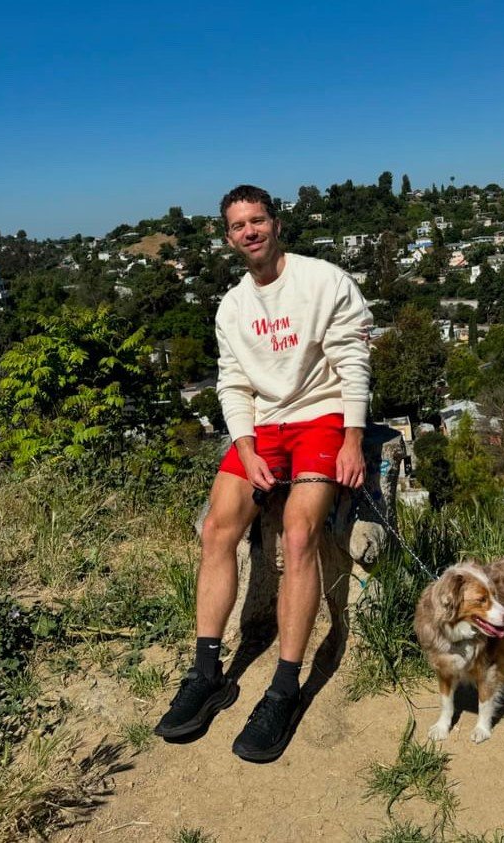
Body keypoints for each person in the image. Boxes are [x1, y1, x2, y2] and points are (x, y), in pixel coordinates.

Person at [155, 185, 372, 763]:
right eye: (237, 225)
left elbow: (354, 359)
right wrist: (244, 446)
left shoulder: (323, 281)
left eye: (257, 220)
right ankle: (208, 673)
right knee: (217, 529)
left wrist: (352, 437)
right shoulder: (232, 306)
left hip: (322, 417)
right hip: (265, 428)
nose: (249, 231)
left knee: (299, 533)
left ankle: (284, 686)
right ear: (227, 237)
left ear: (276, 224)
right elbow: (232, 383)